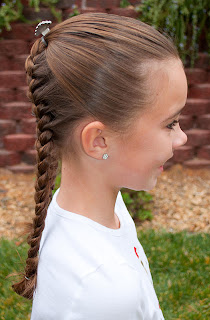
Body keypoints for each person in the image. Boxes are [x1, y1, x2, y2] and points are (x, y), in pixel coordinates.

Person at [12, 12, 188, 319]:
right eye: (170, 123)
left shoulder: (106, 206)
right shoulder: (99, 293)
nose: (182, 138)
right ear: (99, 141)